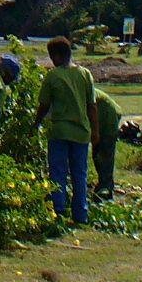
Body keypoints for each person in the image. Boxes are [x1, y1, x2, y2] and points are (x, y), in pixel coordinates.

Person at [35, 36, 96, 222]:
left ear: (57, 56)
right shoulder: (85, 74)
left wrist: (35, 124)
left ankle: (59, 211)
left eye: (52, 57)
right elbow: (92, 106)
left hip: (60, 131)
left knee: (58, 173)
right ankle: (81, 214)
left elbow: (44, 105)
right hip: (81, 132)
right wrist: (96, 132)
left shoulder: (53, 76)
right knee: (80, 174)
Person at [91, 78, 122, 202]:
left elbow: (92, 110)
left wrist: (95, 133)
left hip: (108, 117)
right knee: (96, 155)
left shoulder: (87, 93)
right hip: (100, 117)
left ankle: (106, 189)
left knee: (105, 154)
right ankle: (103, 185)